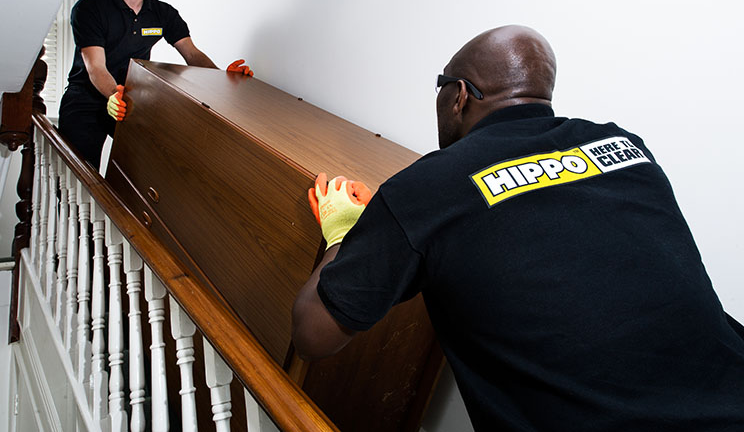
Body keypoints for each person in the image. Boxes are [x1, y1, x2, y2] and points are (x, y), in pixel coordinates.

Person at [292, 25, 744, 431]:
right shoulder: (623, 146)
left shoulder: (430, 187)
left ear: (460, 95)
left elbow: (313, 336)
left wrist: (345, 234)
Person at [58, 0, 253, 169]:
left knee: (144, 167)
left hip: (131, 100)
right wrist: (113, 94)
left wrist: (223, 79)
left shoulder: (163, 14)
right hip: (86, 100)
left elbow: (191, 54)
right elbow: (96, 67)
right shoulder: (90, 8)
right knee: (78, 175)